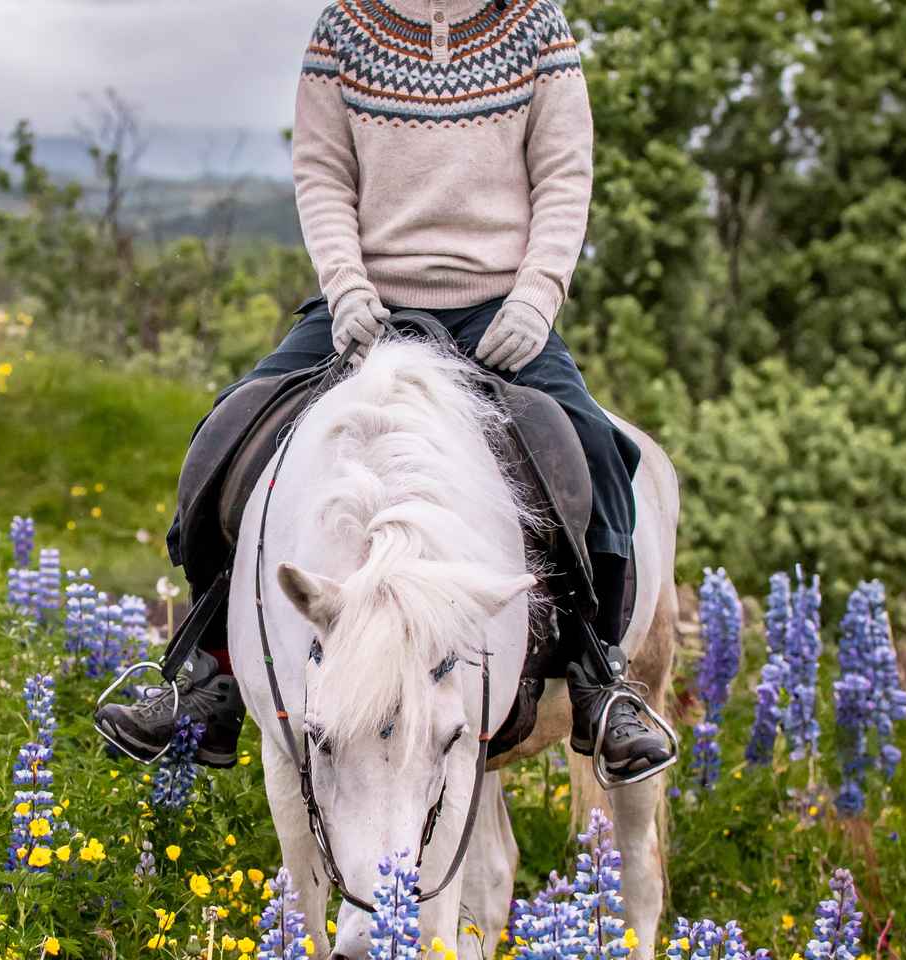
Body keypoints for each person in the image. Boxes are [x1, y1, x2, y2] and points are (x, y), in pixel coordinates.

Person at [97, 0, 673, 781]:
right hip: (368, 306)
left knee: (594, 454)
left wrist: (536, 299)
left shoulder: (538, 27)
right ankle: (210, 672)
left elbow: (565, 176)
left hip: (500, 307)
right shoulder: (344, 29)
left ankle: (601, 681)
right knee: (226, 435)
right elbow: (324, 174)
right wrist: (346, 291)